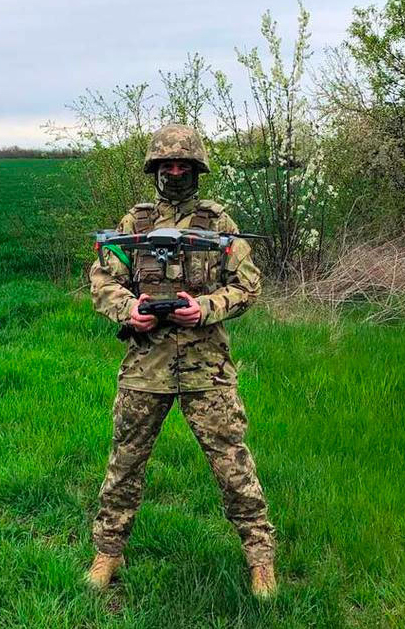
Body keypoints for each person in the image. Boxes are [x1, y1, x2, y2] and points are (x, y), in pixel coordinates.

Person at [86, 124, 278, 598]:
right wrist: (129, 309)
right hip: (144, 365)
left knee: (232, 462)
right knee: (125, 462)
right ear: (155, 168)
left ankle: (260, 557)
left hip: (206, 366)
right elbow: (102, 279)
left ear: (197, 169)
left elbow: (248, 285)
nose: (175, 172)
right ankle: (108, 551)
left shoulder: (220, 225)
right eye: (167, 165)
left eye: (183, 165)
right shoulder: (134, 224)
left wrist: (206, 308)